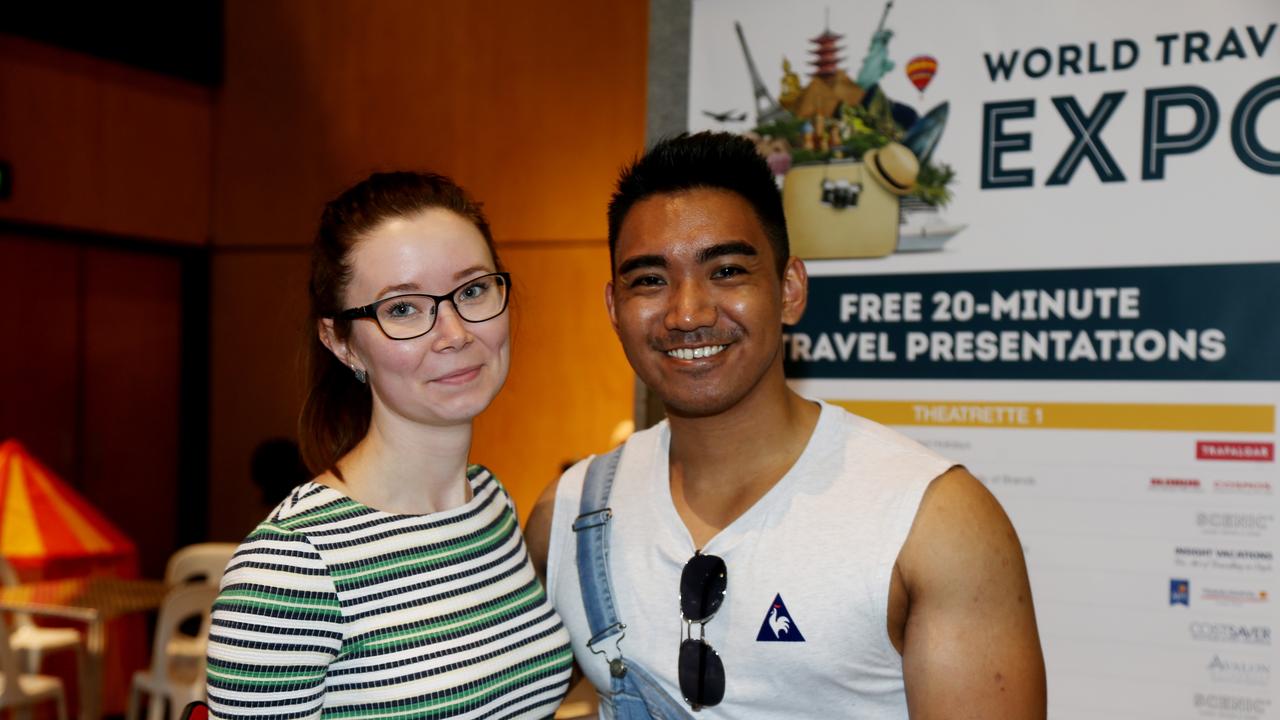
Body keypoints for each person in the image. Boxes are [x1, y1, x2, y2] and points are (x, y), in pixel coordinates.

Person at [527, 133, 1046, 718]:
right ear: (613, 309)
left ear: (790, 290)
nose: (687, 313)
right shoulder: (570, 514)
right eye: (649, 280)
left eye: (725, 270)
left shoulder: (933, 521)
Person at [207, 172, 573, 719]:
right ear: (339, 341)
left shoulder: (489, 503)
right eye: (403, 309)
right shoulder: (291, 567)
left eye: (473, 291)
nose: (453, 332)